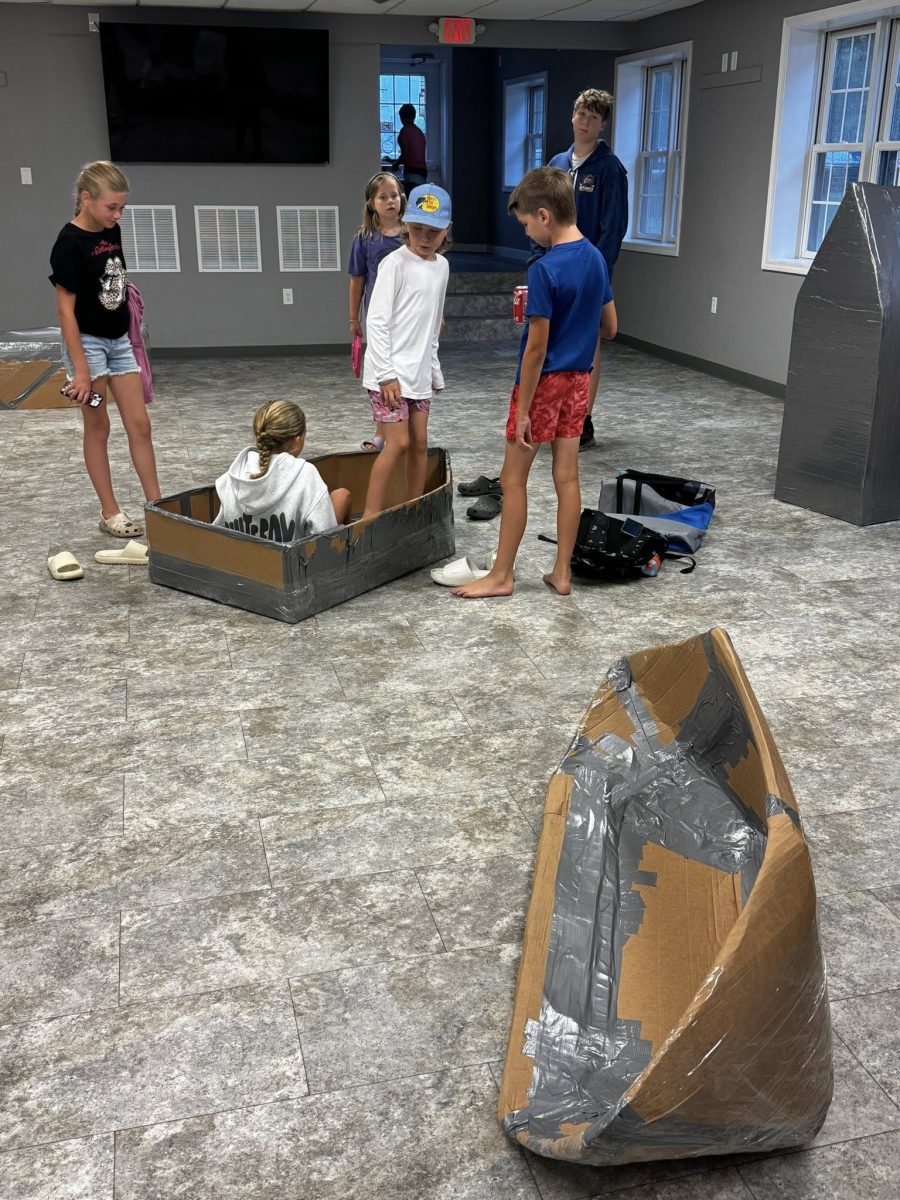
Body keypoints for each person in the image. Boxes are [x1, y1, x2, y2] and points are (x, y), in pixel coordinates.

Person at [453, 167, 616, 600]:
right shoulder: (596, 258)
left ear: (544, 215)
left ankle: (501, 575)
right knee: (567, 477)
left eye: (526, 223)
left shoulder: (545, 269)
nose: (526, 232)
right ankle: (562, 572)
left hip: (543, 385)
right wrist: (578, 329)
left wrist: (524, 409)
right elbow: (610, 327)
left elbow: (536, 350)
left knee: (512, 480)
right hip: (578, 381)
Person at [49, 160, 161, 538]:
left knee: (140, 425)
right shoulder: (68, 244)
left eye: (122, 208)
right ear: (86, 199)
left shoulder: (111, 231)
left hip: (119, 343)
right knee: (99, 426)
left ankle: (158, 507)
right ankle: (110, 512)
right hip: (88, 346)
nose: (118, 215)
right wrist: (81, 371)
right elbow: (65, 312)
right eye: (112, 207)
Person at [361, 184, 451, 519]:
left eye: (433, 231)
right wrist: (386, 375)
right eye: (417, 229)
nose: (424, 238)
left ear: (447, 230)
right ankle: (369, 517)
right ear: (406, 224)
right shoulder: (394, 264)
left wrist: (434, 369)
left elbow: (433, 325)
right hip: (388, 375)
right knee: (397, 443)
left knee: (419, 444)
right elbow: (376, 321)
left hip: (418, 375)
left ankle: (413, 512)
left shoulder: (442, 267)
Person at [548, 88, 628, 449]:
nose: (585, 122)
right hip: (556, 270)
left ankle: (583, 418)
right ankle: (556, 411)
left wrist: (598, 273)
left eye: (593, 118)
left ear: (602, 125)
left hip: (589, 272)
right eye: (581, 114)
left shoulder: (610, 169)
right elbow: (543, 216)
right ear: (572, 116)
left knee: (587, 343)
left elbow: (613, 228)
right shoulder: (557, 164)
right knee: (554, 340)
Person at [213, 401, 351, 541]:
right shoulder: (306, 475)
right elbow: (324, 537)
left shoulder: (232, 477)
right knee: (342, 495)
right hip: (293, 555)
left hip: (244, 554)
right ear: (297, 440)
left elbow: (218, 533)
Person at [348, 172, 406, 452]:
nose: (390, 201)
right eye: (383, 197)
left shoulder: (411, 235)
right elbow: (357, 280)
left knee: (402, 372)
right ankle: (381, 430)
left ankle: (401, 425)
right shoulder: (365, 239)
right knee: (380, 374)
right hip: (378, 319)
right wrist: (353, 317)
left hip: (406, 319)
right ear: (372, 203)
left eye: (394, 195)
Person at [392, 104, 428, 197]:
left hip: (412, 172)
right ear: (414, 116)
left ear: (402, 117)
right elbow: (414, 152)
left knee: (410, 201)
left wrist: (395, 164)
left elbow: (405, 154)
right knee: (418, 201)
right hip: (422, 173)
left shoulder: (404, 131)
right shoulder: (419, 132)